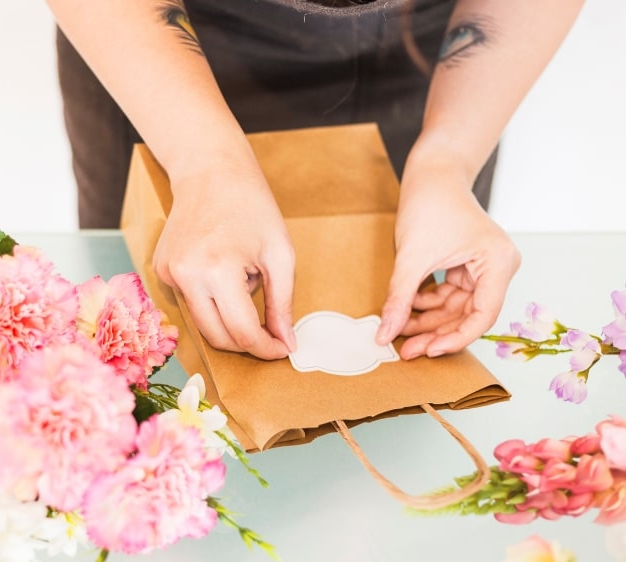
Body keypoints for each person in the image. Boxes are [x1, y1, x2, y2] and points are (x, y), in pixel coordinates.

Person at [46, 0, 584, 361]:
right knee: (143, 351)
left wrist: (447, 162)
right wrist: (202, 163)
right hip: (155, 40)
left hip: (440, 52)